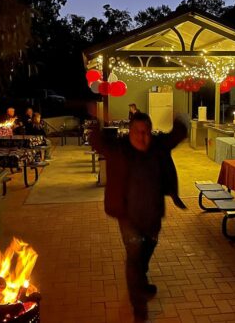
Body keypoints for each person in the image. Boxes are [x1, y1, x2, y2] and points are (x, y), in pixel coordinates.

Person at [89, 112, 187, 321]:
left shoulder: (158, 146)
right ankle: (139, 307)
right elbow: (97, 142)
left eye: (146, 132)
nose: (142, 137)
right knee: (134, 257)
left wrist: (180, 119)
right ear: (130, 131)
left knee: (146, 251)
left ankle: (140, 281)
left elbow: (178, 134)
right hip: (128, 216)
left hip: (152, 215)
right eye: (137, 132)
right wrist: (96, 123)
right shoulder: (120, 148)